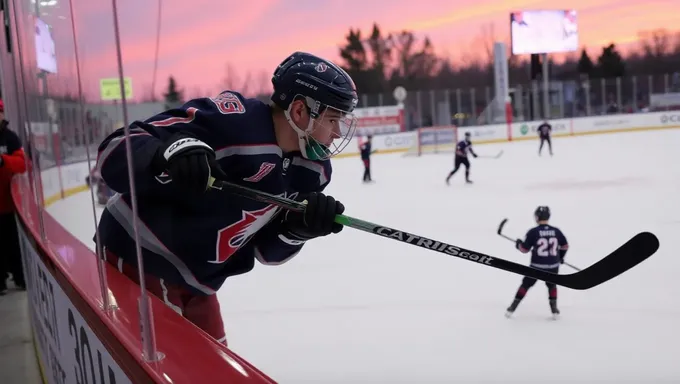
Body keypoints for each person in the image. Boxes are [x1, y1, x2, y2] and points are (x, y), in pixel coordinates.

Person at [94, 51, 358, 345]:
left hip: (198, 283)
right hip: (137, 259)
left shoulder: (313, 171)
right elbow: (114, 149)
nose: (337, 132)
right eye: (333, 119)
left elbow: (265, 252)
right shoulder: (234, 123)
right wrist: (169, 152)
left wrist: (298, 230)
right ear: (299, 111)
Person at [505, 206, 569, 320]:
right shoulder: (556, 231)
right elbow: (565, 246)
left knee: (525, 285)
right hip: (553, 266)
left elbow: (524, 249)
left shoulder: (533, 232)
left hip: (536, 267)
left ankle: (512, 308)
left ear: (536, 217)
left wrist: (518, 244)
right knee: (552, 285)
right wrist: (560, 257)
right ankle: (554, 310)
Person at [0, 99, 27, 294]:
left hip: (8, 203)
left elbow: (22, 164)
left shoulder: (10, 138)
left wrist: (3, 160)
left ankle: (20, 277)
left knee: (13, 243)